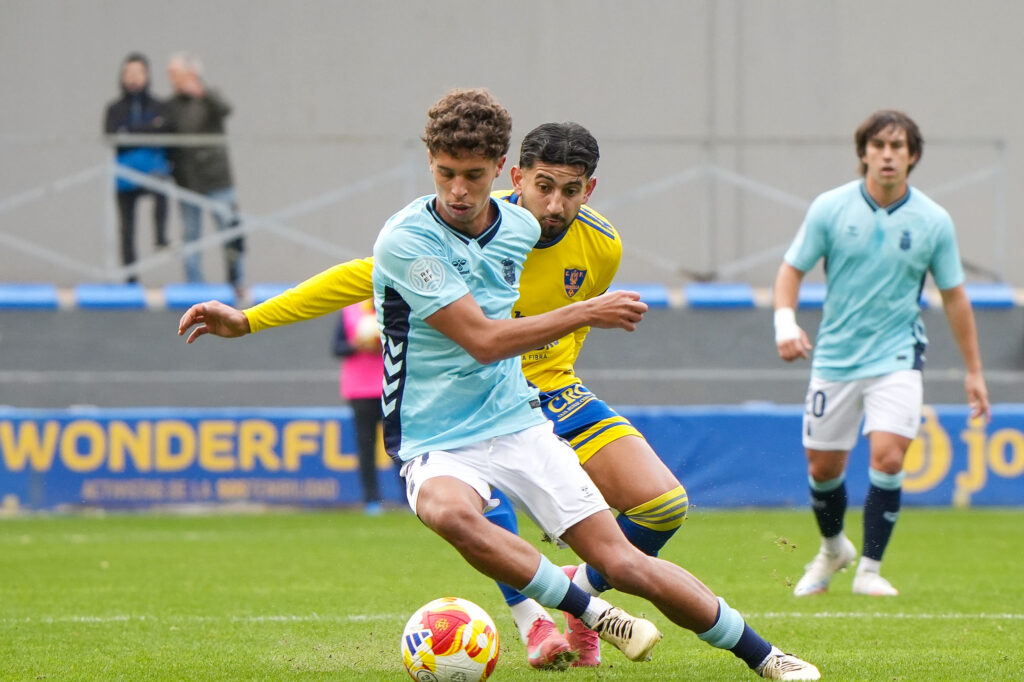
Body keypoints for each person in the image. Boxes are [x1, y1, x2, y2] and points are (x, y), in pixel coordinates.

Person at [181, 87, 820, 680]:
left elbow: (536, 334)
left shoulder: (531, 232)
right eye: (445, 174)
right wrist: (251, 319)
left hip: (522, 411)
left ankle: (769, 659)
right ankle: (583, 612)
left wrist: (567, 344)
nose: (459, 191)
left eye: (472, 175)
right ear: (510, 177)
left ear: (496, 170)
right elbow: (462, 328)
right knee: (450, 511)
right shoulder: (408, 239)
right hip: (437, 430)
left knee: (631, 557)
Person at [773, 109, 991, 598]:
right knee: (821, 470)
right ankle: (833, 550)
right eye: (879, 146)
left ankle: (870, 569)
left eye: (898, 147)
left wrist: (973, 371)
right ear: (864, 153)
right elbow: (791, 269)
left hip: (897, 355)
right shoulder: (831, 208)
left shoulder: (933, 221)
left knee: (889, 458)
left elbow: (955, 295)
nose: (887, 155)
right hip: (835, 356)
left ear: (912, 156)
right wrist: (786, 322)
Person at [166, 52, 244, 296]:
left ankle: (236, 282)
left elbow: (226, 109)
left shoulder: (210, 97)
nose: (173, 79)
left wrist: (203, 93)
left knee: (230, 230)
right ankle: (194, 287)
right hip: (188, 180)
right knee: (191, 234)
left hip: (217, 178)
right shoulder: (171, 105)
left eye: (177, 74)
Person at [103, 52, 172, 283]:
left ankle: (161, 238)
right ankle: (129, 278)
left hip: (152, 171)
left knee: (162, 194)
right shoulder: (114, 108)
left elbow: (164, 130)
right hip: (125, 175)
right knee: (127, 229)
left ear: (147, 75)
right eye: (128, 73)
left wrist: (131, 130)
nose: (132, 78)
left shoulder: (158, 105)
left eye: (138, 72)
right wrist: (148, 129)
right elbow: (112, 135)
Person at [332, 300, 391, 515]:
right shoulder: (350, 310)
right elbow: (337, 347)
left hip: (390, 387)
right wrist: (356, 345)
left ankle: (408, 497)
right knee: (366, 446)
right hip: (359, 389)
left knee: (396, 446)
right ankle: (372, 500)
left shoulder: (391, 305)